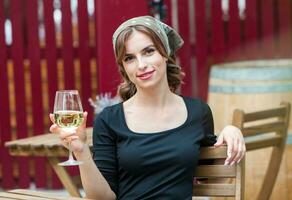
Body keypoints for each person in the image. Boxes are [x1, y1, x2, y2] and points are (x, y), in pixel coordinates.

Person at [50, 15, 245, 200]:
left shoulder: (197, 112)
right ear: (124, 67)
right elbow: (102, 198)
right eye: (129, 58)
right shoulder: (109, 120)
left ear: (165, 53)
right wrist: (81, 150)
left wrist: (229, 132)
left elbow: (212, 179)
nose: (141, 64)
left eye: (148, 51)